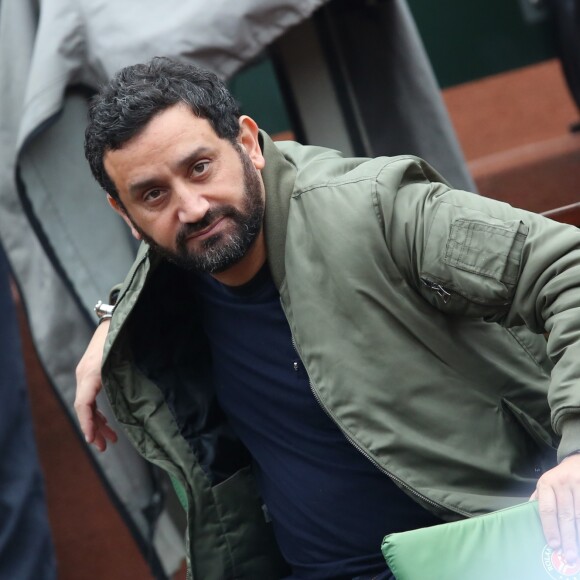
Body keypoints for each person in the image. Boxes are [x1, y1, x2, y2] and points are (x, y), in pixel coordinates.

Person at [75, 57, 580, 580]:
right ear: (125, 214)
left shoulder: (374, 207)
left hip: (487, 552)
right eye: (153, 194)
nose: (193, 207)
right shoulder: (167, 291)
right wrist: (116, 319)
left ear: (247, 143)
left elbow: (567, 266)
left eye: (200, 167)